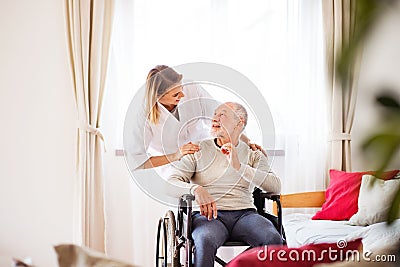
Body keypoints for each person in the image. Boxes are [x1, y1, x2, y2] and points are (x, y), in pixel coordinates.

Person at [167, 102, 283, 267]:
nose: (215, 118)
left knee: (272, 239)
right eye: (214, 114)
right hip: (208, 217)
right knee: (204, 240)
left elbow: (275, 187)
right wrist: (196, 188)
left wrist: (240, 167)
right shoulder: (198, 149)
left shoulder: (253, 154)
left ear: (239, 122)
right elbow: (170, 184)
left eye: (222, 114)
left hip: (245, 215)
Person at [125, 65, 264, 174]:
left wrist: (247, 141)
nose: (183, 94)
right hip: (173, 166)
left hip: (204, 153)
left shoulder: (192, 87)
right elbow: (137, 161)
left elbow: (221, 117)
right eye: (175, 94)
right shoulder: (143, 114)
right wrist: (175, 155)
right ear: (158, 97)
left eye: (181, 88)